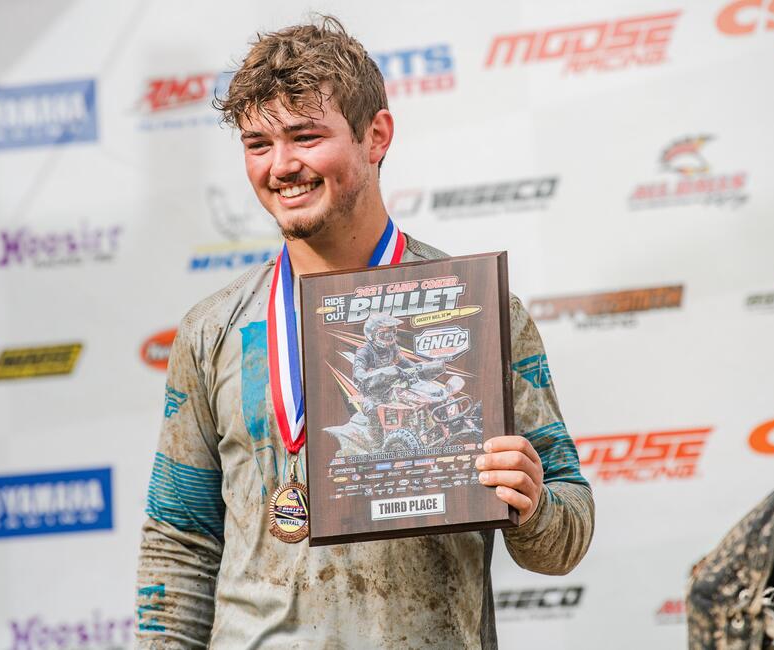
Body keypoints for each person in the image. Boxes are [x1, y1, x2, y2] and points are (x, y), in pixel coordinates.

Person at [135, 16, 594, 649]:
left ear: (375, 135)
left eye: (305, 136)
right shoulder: (211, 330)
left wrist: (533, 503)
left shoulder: (475, 311)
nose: (282, 166)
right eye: (258, 144)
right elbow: (179, 543)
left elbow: (565, 537)